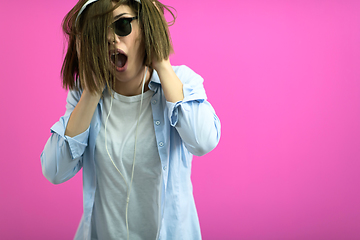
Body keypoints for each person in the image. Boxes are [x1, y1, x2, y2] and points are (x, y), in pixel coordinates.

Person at [40, 0, 221, 239]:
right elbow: (54, 170)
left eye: (122, 24)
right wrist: (92, 91)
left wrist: (163, 65)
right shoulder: (83, 96)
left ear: (146, 28)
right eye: (98, 31)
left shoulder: (181, 82)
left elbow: (203, 141)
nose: (109, 38)